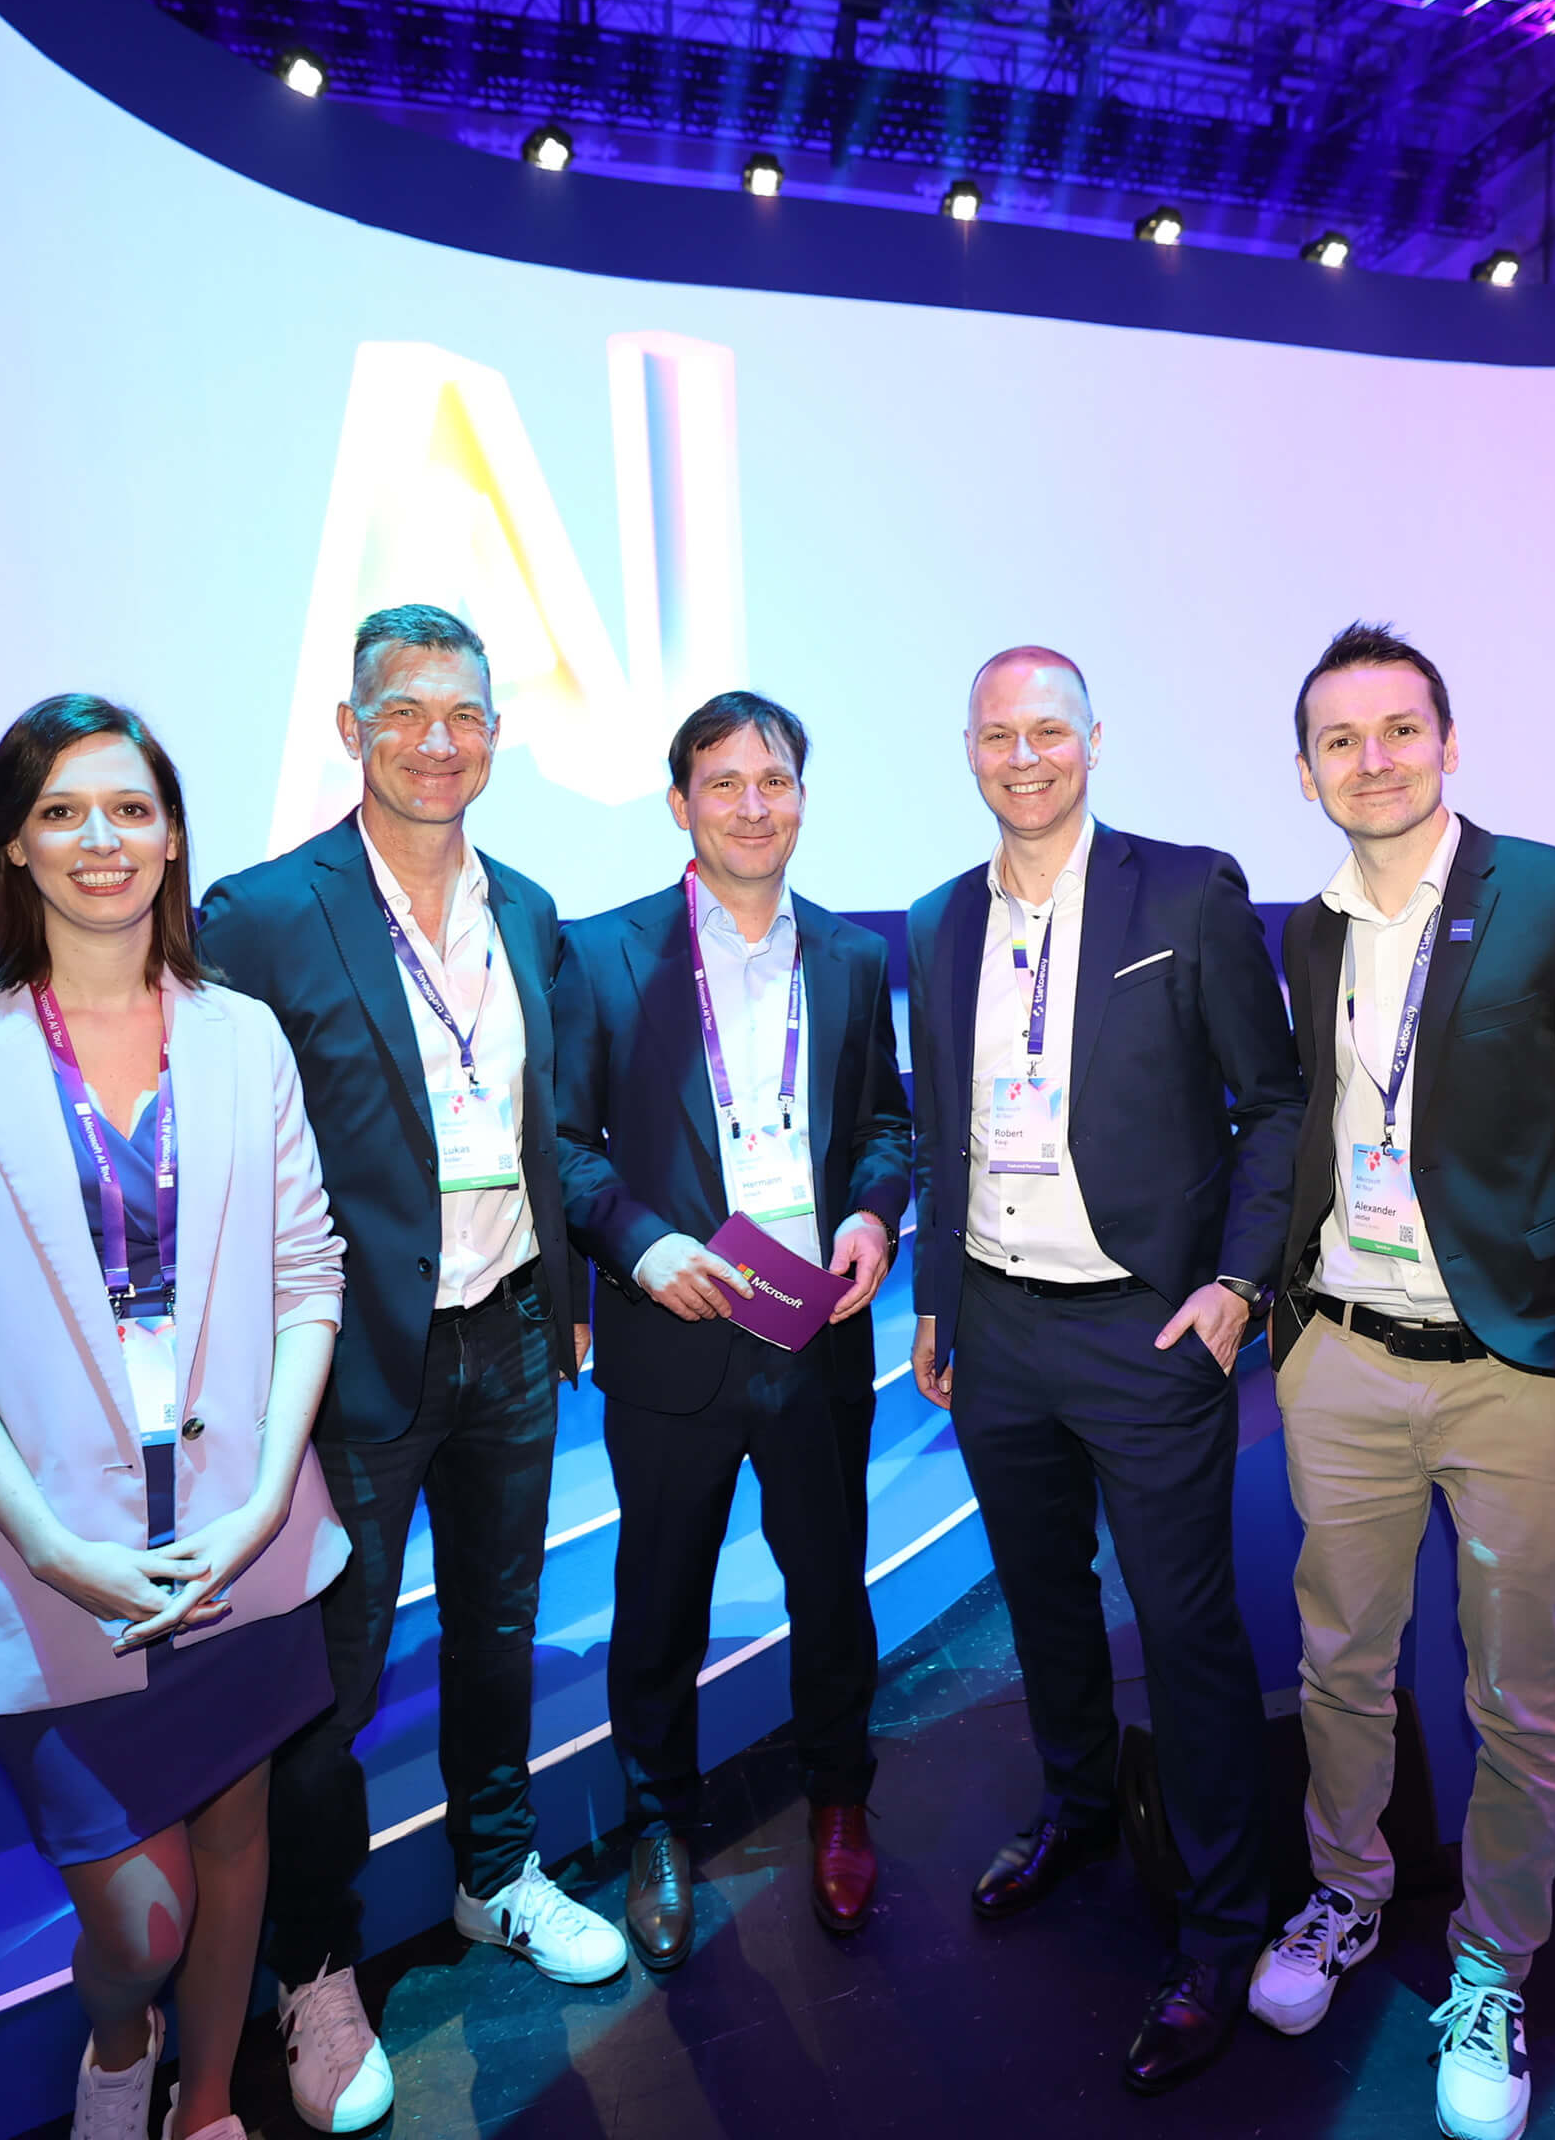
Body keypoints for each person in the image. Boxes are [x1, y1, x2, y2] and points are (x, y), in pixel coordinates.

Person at [0, 695, 347, 2140]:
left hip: (240, 1530)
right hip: (46, 1551)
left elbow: (308, 1273)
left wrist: (269, 1499)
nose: (100, 838)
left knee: (238, 1843)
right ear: (13, 845)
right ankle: (121, 2035)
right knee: (140, 1916)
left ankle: (207, 2104)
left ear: (174, 836)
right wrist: (51, 1543)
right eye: (60, 811)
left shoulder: (244, 1036)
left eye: (129, 807)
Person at [195, 604, 623, 2134]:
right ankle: (314, 1970)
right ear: (349, 729)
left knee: (500, 1629)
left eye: (465, 714)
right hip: (349, 1359)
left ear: (497, 734)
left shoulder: (531, 908)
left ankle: (495, 1872)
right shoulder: (261, 916)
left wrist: (570, 1297)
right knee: (332, 1684)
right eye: (404, 712)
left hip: (507, 1332)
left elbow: (546, 1128)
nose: (438, 742)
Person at [1247, 623, 1555, 2140]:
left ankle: (1492, 1965)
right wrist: (1291, 1325)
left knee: (1518, 1695)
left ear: (1449, 743)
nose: (1374, 762)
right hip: (1345, 1358)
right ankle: (1347, 1893)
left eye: (1400, 731)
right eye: (1340, 741)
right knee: (1339, 1663)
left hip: (1515, 1373)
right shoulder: (1309, 933)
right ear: (1307, 773)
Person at [904, 645, 1304, 2095]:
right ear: (968, 750)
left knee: (1186, 1630)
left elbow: (1275, 1103)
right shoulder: (939, 921)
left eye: (1048, 731)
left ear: (1092, 740)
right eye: (998, 735)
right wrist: (937, 1301)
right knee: (1044, 1598)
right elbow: (942, 1130)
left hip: (1148, 1328)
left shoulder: (1184, 895)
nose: (1025, 757)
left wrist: (1239, 1284)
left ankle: (1222, 1926)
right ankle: (1076, 1806)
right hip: (1000, 1328)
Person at [552, 692, 915, 1971]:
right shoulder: (602, 955)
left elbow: (884, 1125)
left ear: (802, 799)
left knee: (830, 1588)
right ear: (680, 804)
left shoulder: (852, 958)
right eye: (724, 783)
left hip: (816, 1330)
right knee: (660, 1601)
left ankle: (840, 1798)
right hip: (675, 1330)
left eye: (776, 781)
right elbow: (562, 1146)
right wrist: (642, 1245)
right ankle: (658, 1823)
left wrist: (872, 1214)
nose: (754, 806)